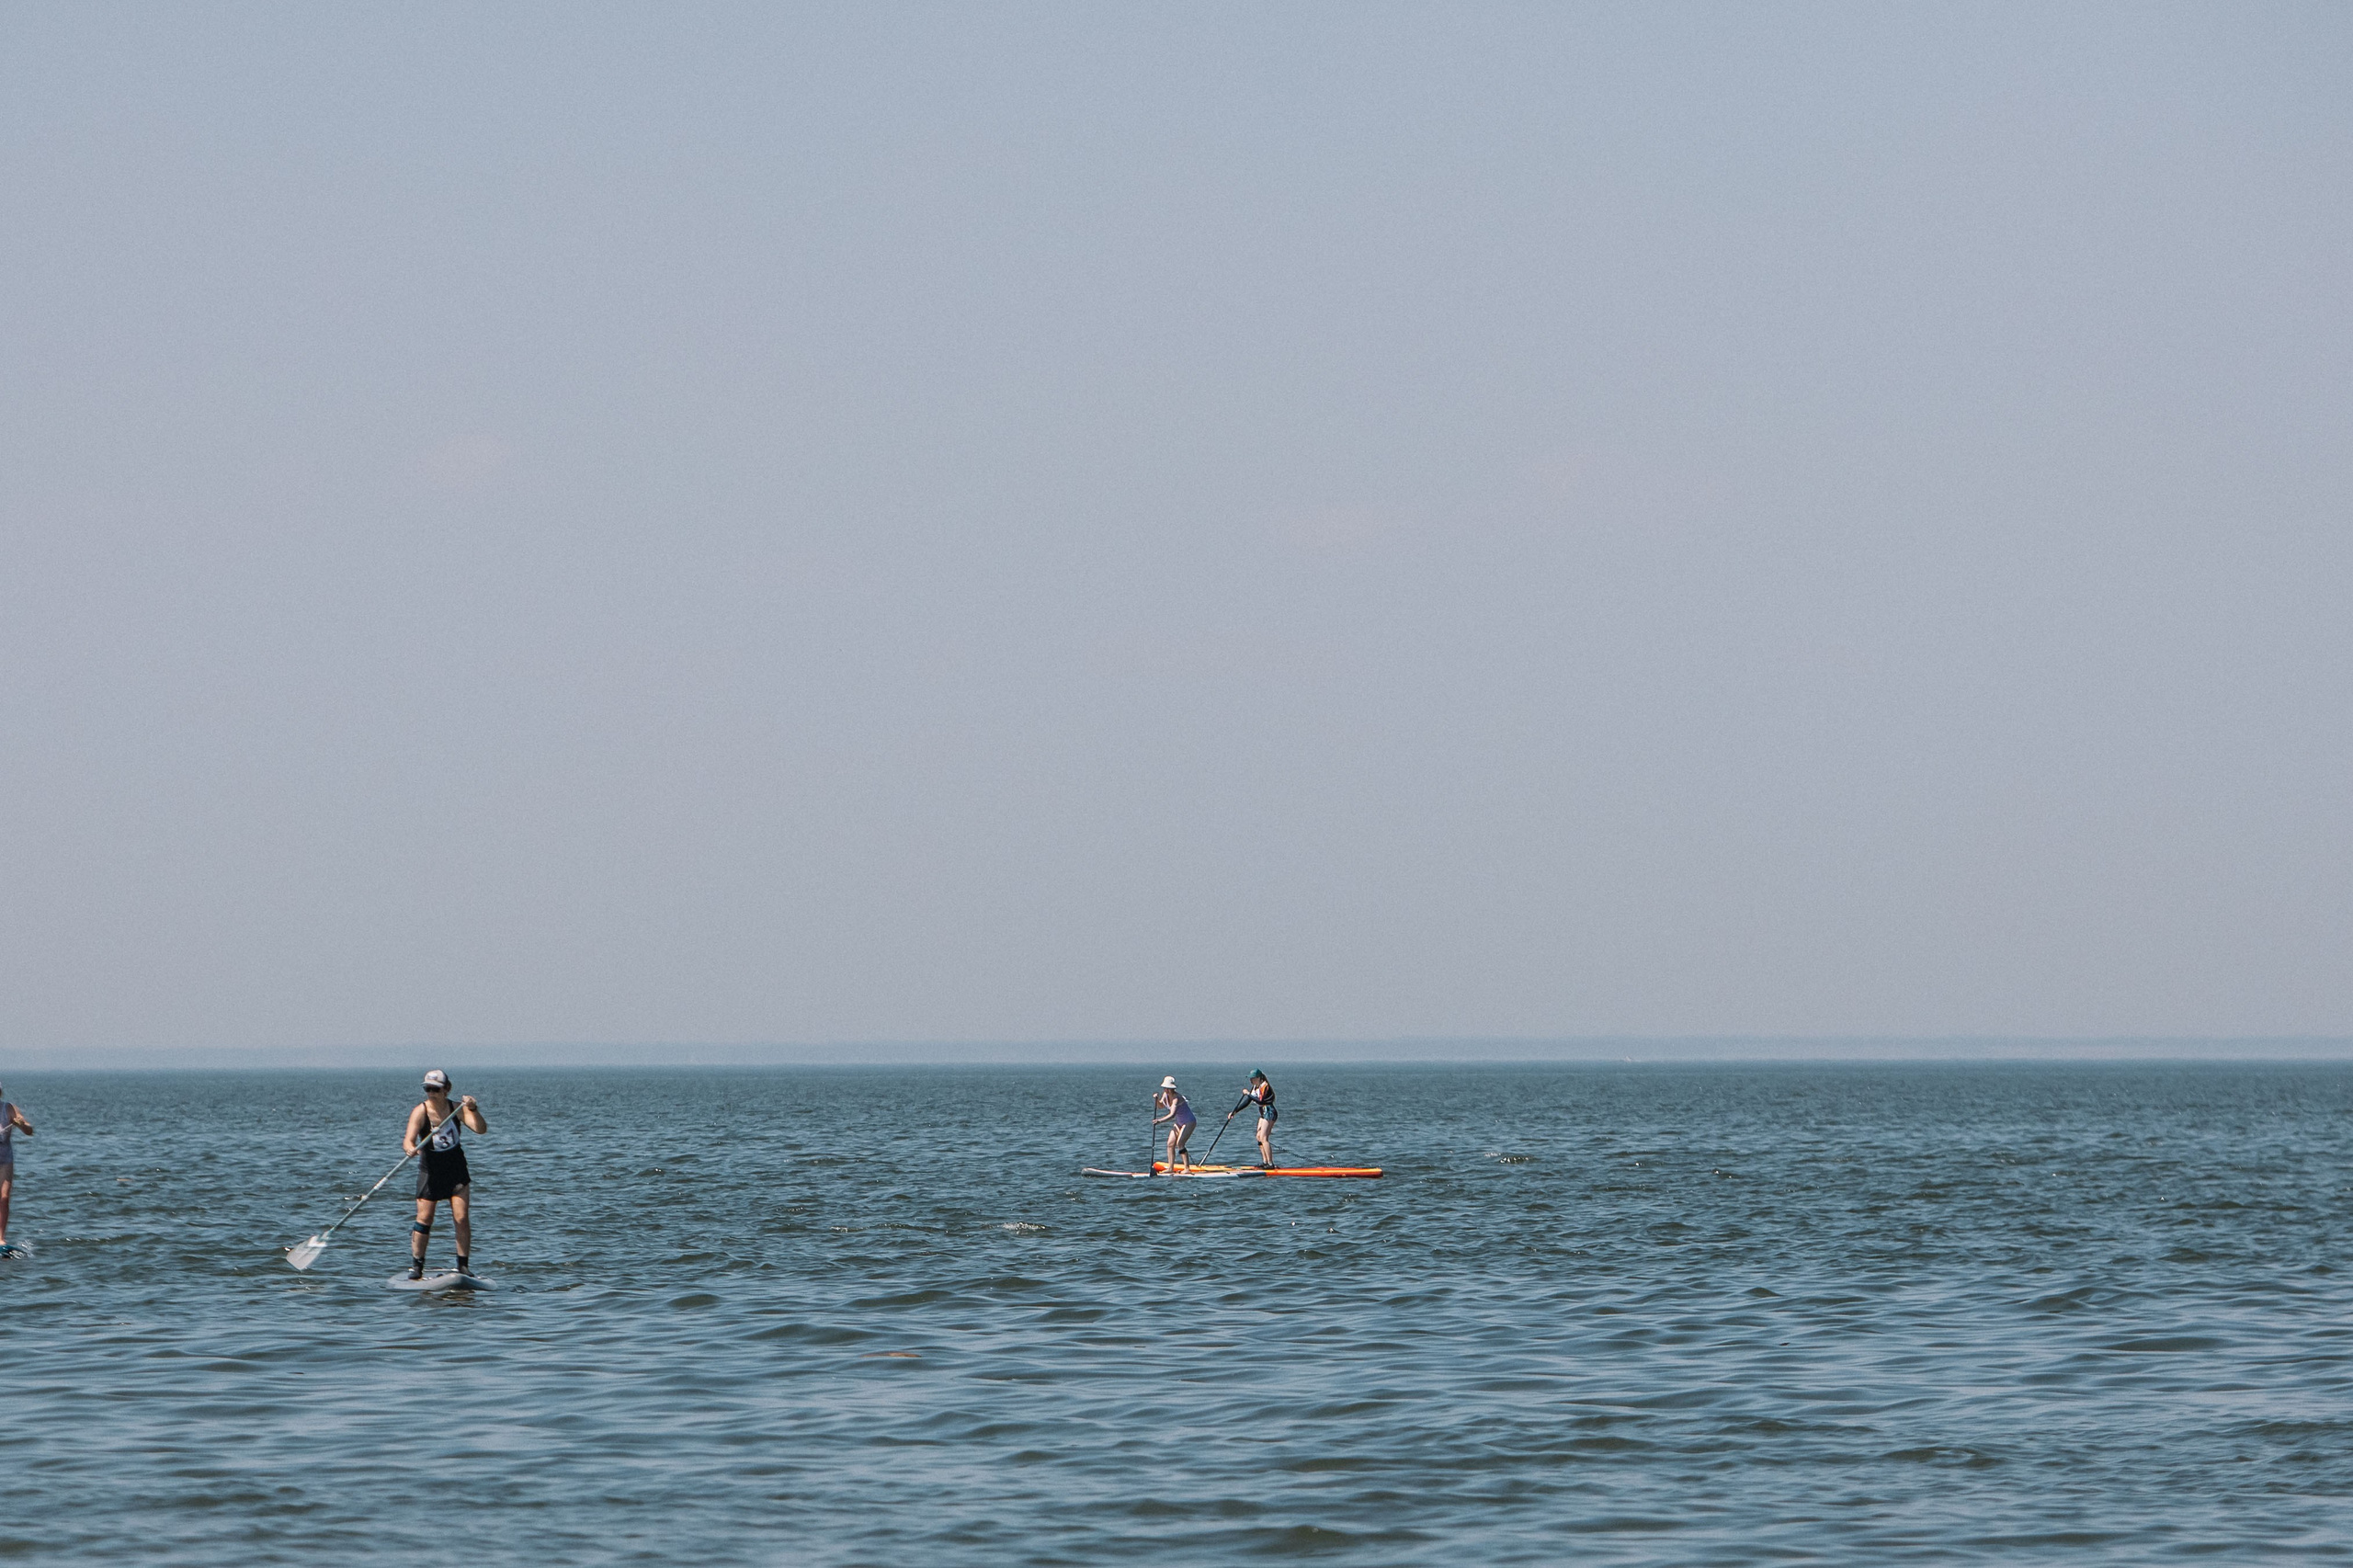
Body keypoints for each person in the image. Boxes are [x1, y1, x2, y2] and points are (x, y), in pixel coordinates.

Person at [405, 1070, 487, 1279]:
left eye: (436, 1089)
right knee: (425, 1218)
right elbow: (408, 1140)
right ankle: (417, 1266)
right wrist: (410, 1149)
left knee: (461, 1218)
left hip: (455, 1169)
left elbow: (480, 1129)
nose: (431, 1093)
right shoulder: (420, 1111)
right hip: (431, 1171)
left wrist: (473, 1108)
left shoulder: (455, 1109)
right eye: (428, 1089)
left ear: (446, 1089)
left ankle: (463, 1266)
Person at [0, 1085, 31, 1250]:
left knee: (4, 1198)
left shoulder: (8, 1108)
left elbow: (29, 1130)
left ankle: (1, 1239)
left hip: (5, 1160)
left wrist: (21, 1124)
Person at [1152, 1075, 1196, 1173]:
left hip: (1189, 1121)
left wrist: (1160, 1121)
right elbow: (1160, 1106)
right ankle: (1170, 1168)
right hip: (1179, 1122)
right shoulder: (1165, 1095)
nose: (1165, 1089)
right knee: (1170, 1144)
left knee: (1180, 1143)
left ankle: (1187, 1169)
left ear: (1170, 1088)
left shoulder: (1177, 1098)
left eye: (1166, 1088)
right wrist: (1156, 1099)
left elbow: (1172, 1115)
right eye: (1164, 1088)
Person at [1244, 1070, 1277, 1167]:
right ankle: (1265, 1161)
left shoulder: (1264, 1086)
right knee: (1258, 1137)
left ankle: (1271, 1163)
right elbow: (1248, 1101)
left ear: (1259, 1078)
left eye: (1253, 1078)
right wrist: (1234, 1112)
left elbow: (1261, 1101)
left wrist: (1248, 1094)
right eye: (1250, 1078)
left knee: (1264, 1138)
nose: (1251, 1080)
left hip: (1269, 1112)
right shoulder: (1255, 1088)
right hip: (1263, 1112)